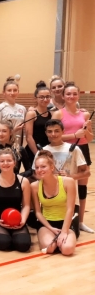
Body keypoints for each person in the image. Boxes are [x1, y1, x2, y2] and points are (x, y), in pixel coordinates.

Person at [32, 119, 90, 234]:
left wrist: (71, 176)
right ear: (46, 133)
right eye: (50, 131)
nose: (53, 134)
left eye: (56, 131)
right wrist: (48, 176)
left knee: (72, 234)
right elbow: (35, 174)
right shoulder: (42, 151)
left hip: (69, 199)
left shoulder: (74, 149)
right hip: (49, 201)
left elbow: (87, 172)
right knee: (50, 233)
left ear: (63, 131)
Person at [51, 82, 93, 233]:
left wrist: (86, 130)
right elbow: (54, 135)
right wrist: (75, 135)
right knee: (63, 185)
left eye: (74, 94)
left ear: (78, 95)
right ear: (63, 96)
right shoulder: (58, 114)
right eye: (68, 94)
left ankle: (81, 221)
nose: (71, 96)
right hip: (65, 151)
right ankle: (62, 219)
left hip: (82, 149)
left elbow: (89, 138)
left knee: (82, 187)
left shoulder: (85, 114)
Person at [32, 150, 77, 255]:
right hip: (47, 224)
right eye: (37, 167)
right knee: (50, 248)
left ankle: (63, 241)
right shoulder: (34, 186)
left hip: (66, 223)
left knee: (67, 250)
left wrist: (64, 231)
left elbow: (70, 209)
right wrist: (50, 228)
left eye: (43, 167)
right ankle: (55, 241)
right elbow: (38, 212)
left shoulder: (68, 182)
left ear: (52, 167)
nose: (39, 170)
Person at [0, 148, 31, 252]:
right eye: (2, 161)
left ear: (14, 162)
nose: (5, 163)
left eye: (9, 160)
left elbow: (26, 206)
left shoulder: (23, 181)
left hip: (16, 219)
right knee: (3, 243)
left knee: (23, 245)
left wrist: (23, 220)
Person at [0, 77, 26, 147]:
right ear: (4, 93)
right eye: (9, 90)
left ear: (18, 92)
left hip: (16, 145)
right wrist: (12, 131)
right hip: (1, 145)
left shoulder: (22, 108)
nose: (12, 93)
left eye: (15, 90)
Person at [25, 81, 52, 158]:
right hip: (34, 150)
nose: (45, 99)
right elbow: (29, 137)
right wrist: (37, 153)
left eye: (48, 96)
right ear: (35, 98)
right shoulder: (31, 114)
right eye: (42, 97)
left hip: (47, 149)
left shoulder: (52, 113)